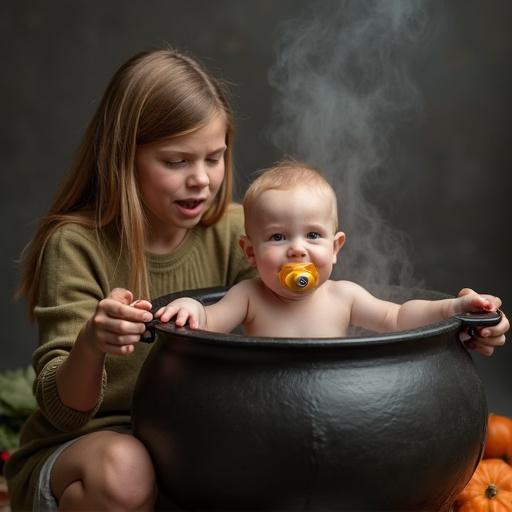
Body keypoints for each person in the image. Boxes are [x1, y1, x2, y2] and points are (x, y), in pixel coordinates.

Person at [5, 48, 257, 511]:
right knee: (127, 470)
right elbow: (65, 410)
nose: (201, 180)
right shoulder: (76, 244)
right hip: (88, 446)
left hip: (190, 444)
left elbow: (290, 326)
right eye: (176, 162)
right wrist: (92, 342)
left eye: (214, 158)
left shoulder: (239, 235)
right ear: (124, 157)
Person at [157, 160, 509, 354]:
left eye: (313, 235)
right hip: (263, 403)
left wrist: (452, 309)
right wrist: (192, 307)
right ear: (251, 251)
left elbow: (400, 317)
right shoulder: (249, 296)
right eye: (278, 237)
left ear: (336, 247)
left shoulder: (344, 296)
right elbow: (209, 321)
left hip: (331, 402)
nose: (298, 249)